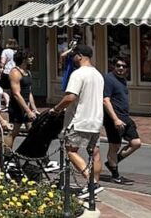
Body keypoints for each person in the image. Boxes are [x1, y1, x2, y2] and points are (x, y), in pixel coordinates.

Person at [48, 44, 104, 199]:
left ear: (79, 56)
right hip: (96, 120)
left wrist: (56, 108)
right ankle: (94, 185)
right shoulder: (98, 75)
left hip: (79, 120)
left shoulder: (78, 74)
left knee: (71, 150)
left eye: (73, 55)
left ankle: (92, 183)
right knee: (95, 153)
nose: (72, 58)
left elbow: (70, 97)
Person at [103, 57, 141, 185]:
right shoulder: (108, 79)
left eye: (124, 66)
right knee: (114, 146)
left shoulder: (122, 80)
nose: (121, 68)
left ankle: (112, 162)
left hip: (125, 117)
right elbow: (106, 100)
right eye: (118, 65)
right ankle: (115, 175)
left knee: (136, 143)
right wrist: (115, 119)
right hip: (114, 118)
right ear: (113, 66)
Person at [5, 49, 39, 149]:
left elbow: (29, 92)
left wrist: (34, 109)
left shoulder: (28, 72)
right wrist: (27, 111)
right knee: (14, 132)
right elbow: (16, 94)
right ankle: (6, 156)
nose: (32, 59)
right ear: (23, 59)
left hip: (26, 106)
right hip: (17, 107)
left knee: (33, 131)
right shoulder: (15, 72)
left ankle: (37, 156)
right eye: (29, 57)